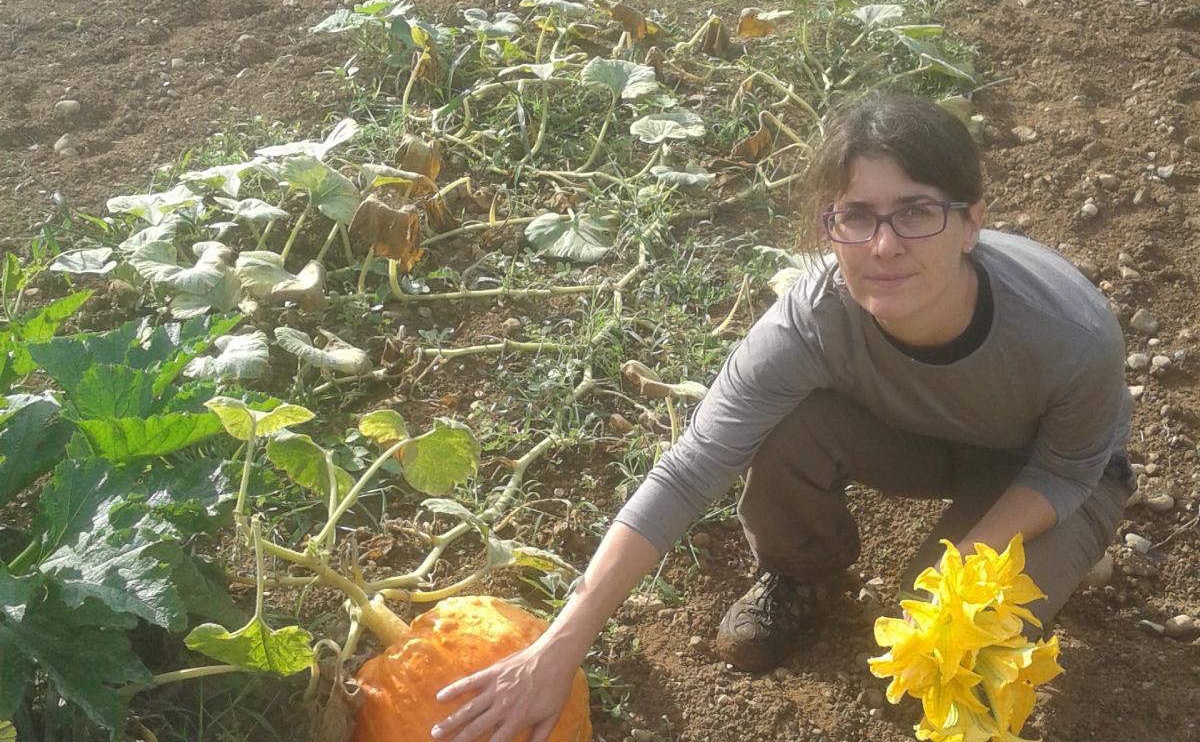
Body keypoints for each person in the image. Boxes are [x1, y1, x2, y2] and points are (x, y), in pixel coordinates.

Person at [427, 92, 1135, 741]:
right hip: (924, 443)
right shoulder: (815, 317)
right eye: (856, 216)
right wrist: (560, 644)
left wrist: (958, 581)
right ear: (829, 227)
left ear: (971, 223)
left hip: (1050, 476)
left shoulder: (1068, 330)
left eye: (917, 212)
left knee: (941, 660)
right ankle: (803, 574)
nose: (883, 246)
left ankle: (1070, 557)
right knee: (792, 422)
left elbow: (1070, 467)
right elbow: (690, 469)